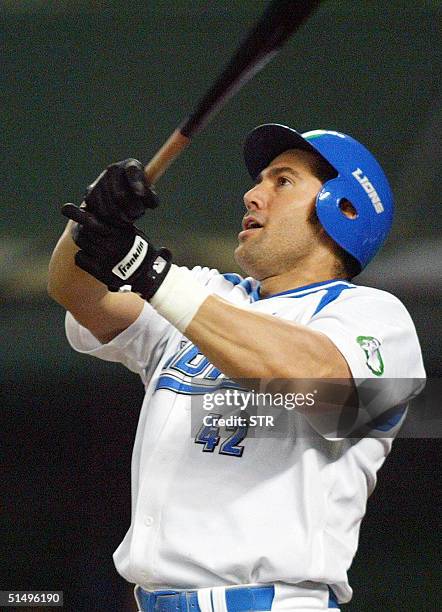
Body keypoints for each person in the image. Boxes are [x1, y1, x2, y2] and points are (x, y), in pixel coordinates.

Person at [48, 124, 426, 611]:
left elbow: (319, 386)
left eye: (282, 181)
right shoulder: (207, 294)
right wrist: (90, 219)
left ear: (345, 209)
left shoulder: (377, 318)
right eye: (260, 180)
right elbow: (79, 294)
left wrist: (153, 277)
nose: (252, 195)